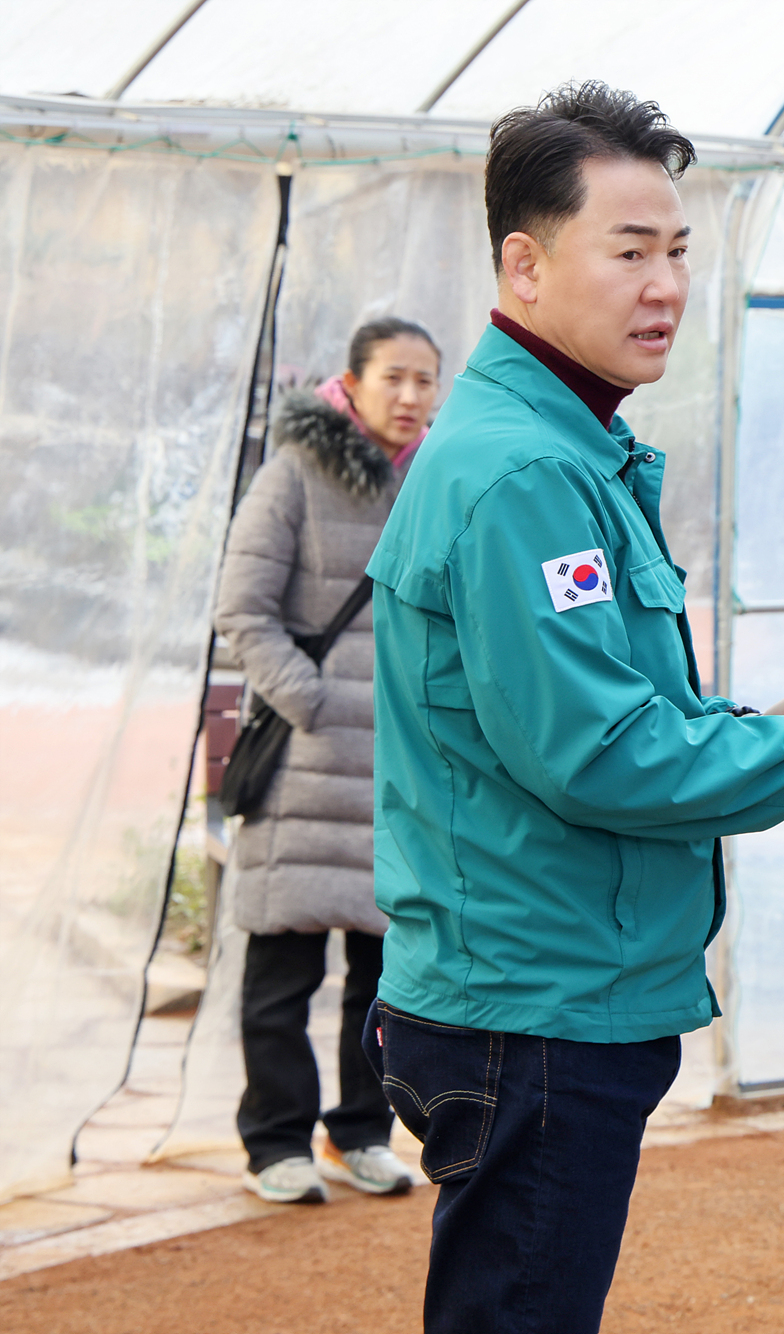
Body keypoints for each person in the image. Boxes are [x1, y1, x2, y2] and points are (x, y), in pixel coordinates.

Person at [362, 82, 784, 1333]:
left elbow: (584, 706)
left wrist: (765, 723)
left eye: (677, 248)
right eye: (627, 250)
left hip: (539, 984)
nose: (665, 283)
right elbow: (593, 748)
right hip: (533, 1001)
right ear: (522, 264)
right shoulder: (522, 468)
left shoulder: (563, 446)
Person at [214, 316, 440, 1203]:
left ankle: (360, 1134)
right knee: (282, 971)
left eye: (427, 380)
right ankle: (275, 1142)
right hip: (306, 768)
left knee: (384, 979)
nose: (413, 396)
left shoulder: (439, 479)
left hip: (400, 773)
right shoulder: (295, 474)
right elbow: (241, 609)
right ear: (350, 384)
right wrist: (309, 699)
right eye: (395, 377)